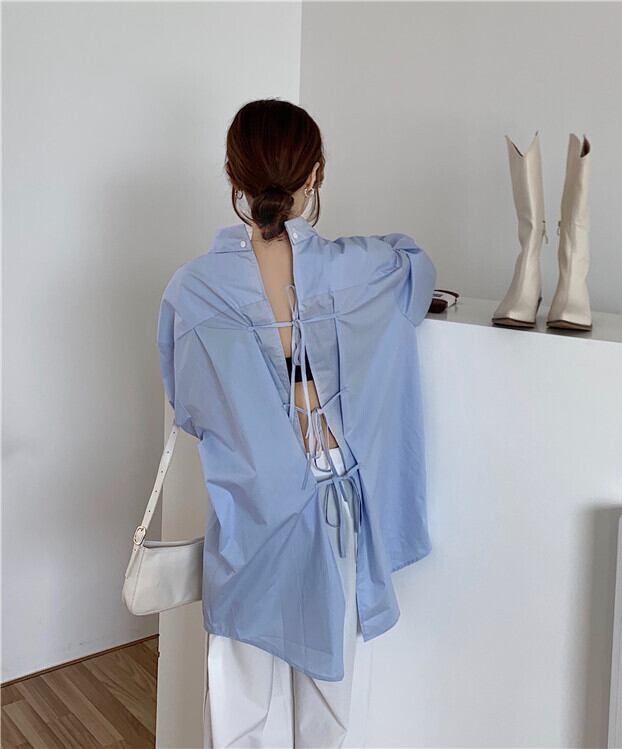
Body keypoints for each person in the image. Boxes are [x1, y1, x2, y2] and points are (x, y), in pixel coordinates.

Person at [156, 98, 437, 748]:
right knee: (328, 709)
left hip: (249, 508)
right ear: (314, 175)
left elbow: (188, 405)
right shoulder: (362, 268)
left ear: (234, 177)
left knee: (239, 707)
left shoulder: (192, 289)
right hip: (334, 503)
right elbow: (417, 270)